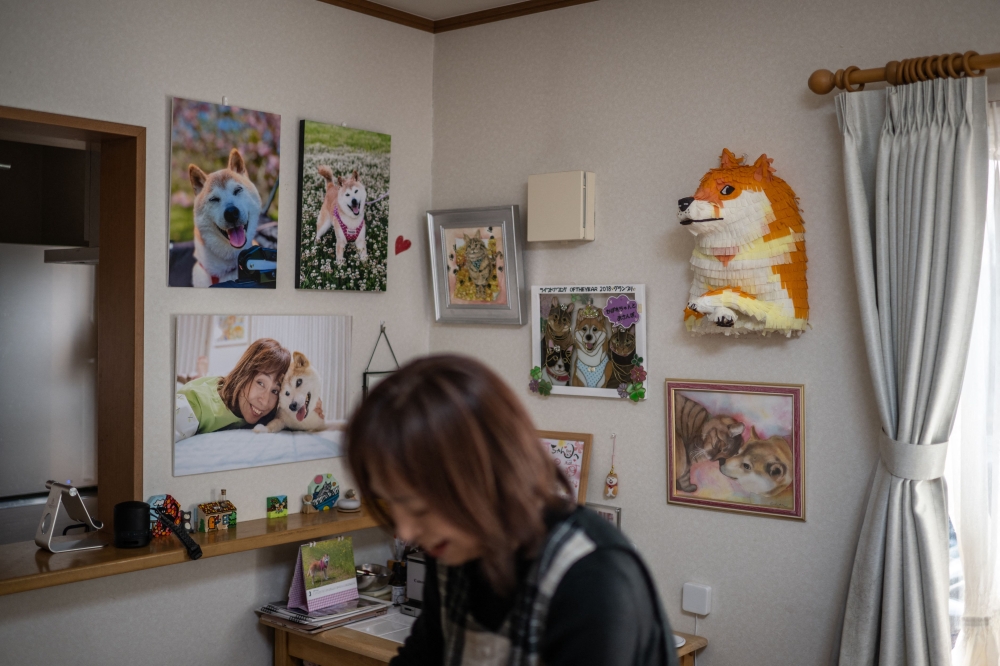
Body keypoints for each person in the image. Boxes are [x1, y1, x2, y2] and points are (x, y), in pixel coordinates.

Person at [346, 355, 679, 666]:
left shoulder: (591, 577)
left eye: (419, 508)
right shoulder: (453, 550)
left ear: (485, 473)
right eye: (389, 502)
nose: (404, 532)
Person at [174, 338, 291, 442]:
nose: (265, 402)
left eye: (275, 391)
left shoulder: (273, 410)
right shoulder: (196, 404)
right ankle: (201, 374)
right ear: (244, 373)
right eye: (260, 383)